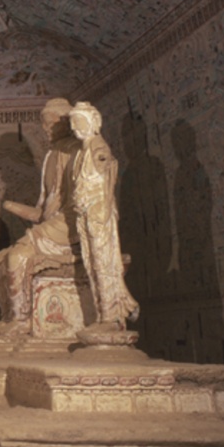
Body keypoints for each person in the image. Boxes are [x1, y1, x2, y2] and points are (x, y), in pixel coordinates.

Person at [0, 97, 80, 333]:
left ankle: (22, 321)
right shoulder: (50, 157)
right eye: (44, 124)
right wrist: (12, 206)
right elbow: (42, 212)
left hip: (70, 224)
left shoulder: (78, 151)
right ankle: (9, 317)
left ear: (67, 122)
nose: (46, 129)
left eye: (51, 124)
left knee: (17, 256)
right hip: (53, 225)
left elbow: (78, 203)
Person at [68, 101, 139, 330]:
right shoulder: (82, 151)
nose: (74, 127)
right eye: (73, 123)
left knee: (103, 263)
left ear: (92, 122)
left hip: (98, 211)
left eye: (79, 121)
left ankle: (110, 315)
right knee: (91, 263)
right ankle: (102, 314)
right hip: (85, 212)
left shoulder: (98, 147)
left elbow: (106, 178)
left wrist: (103, 208)